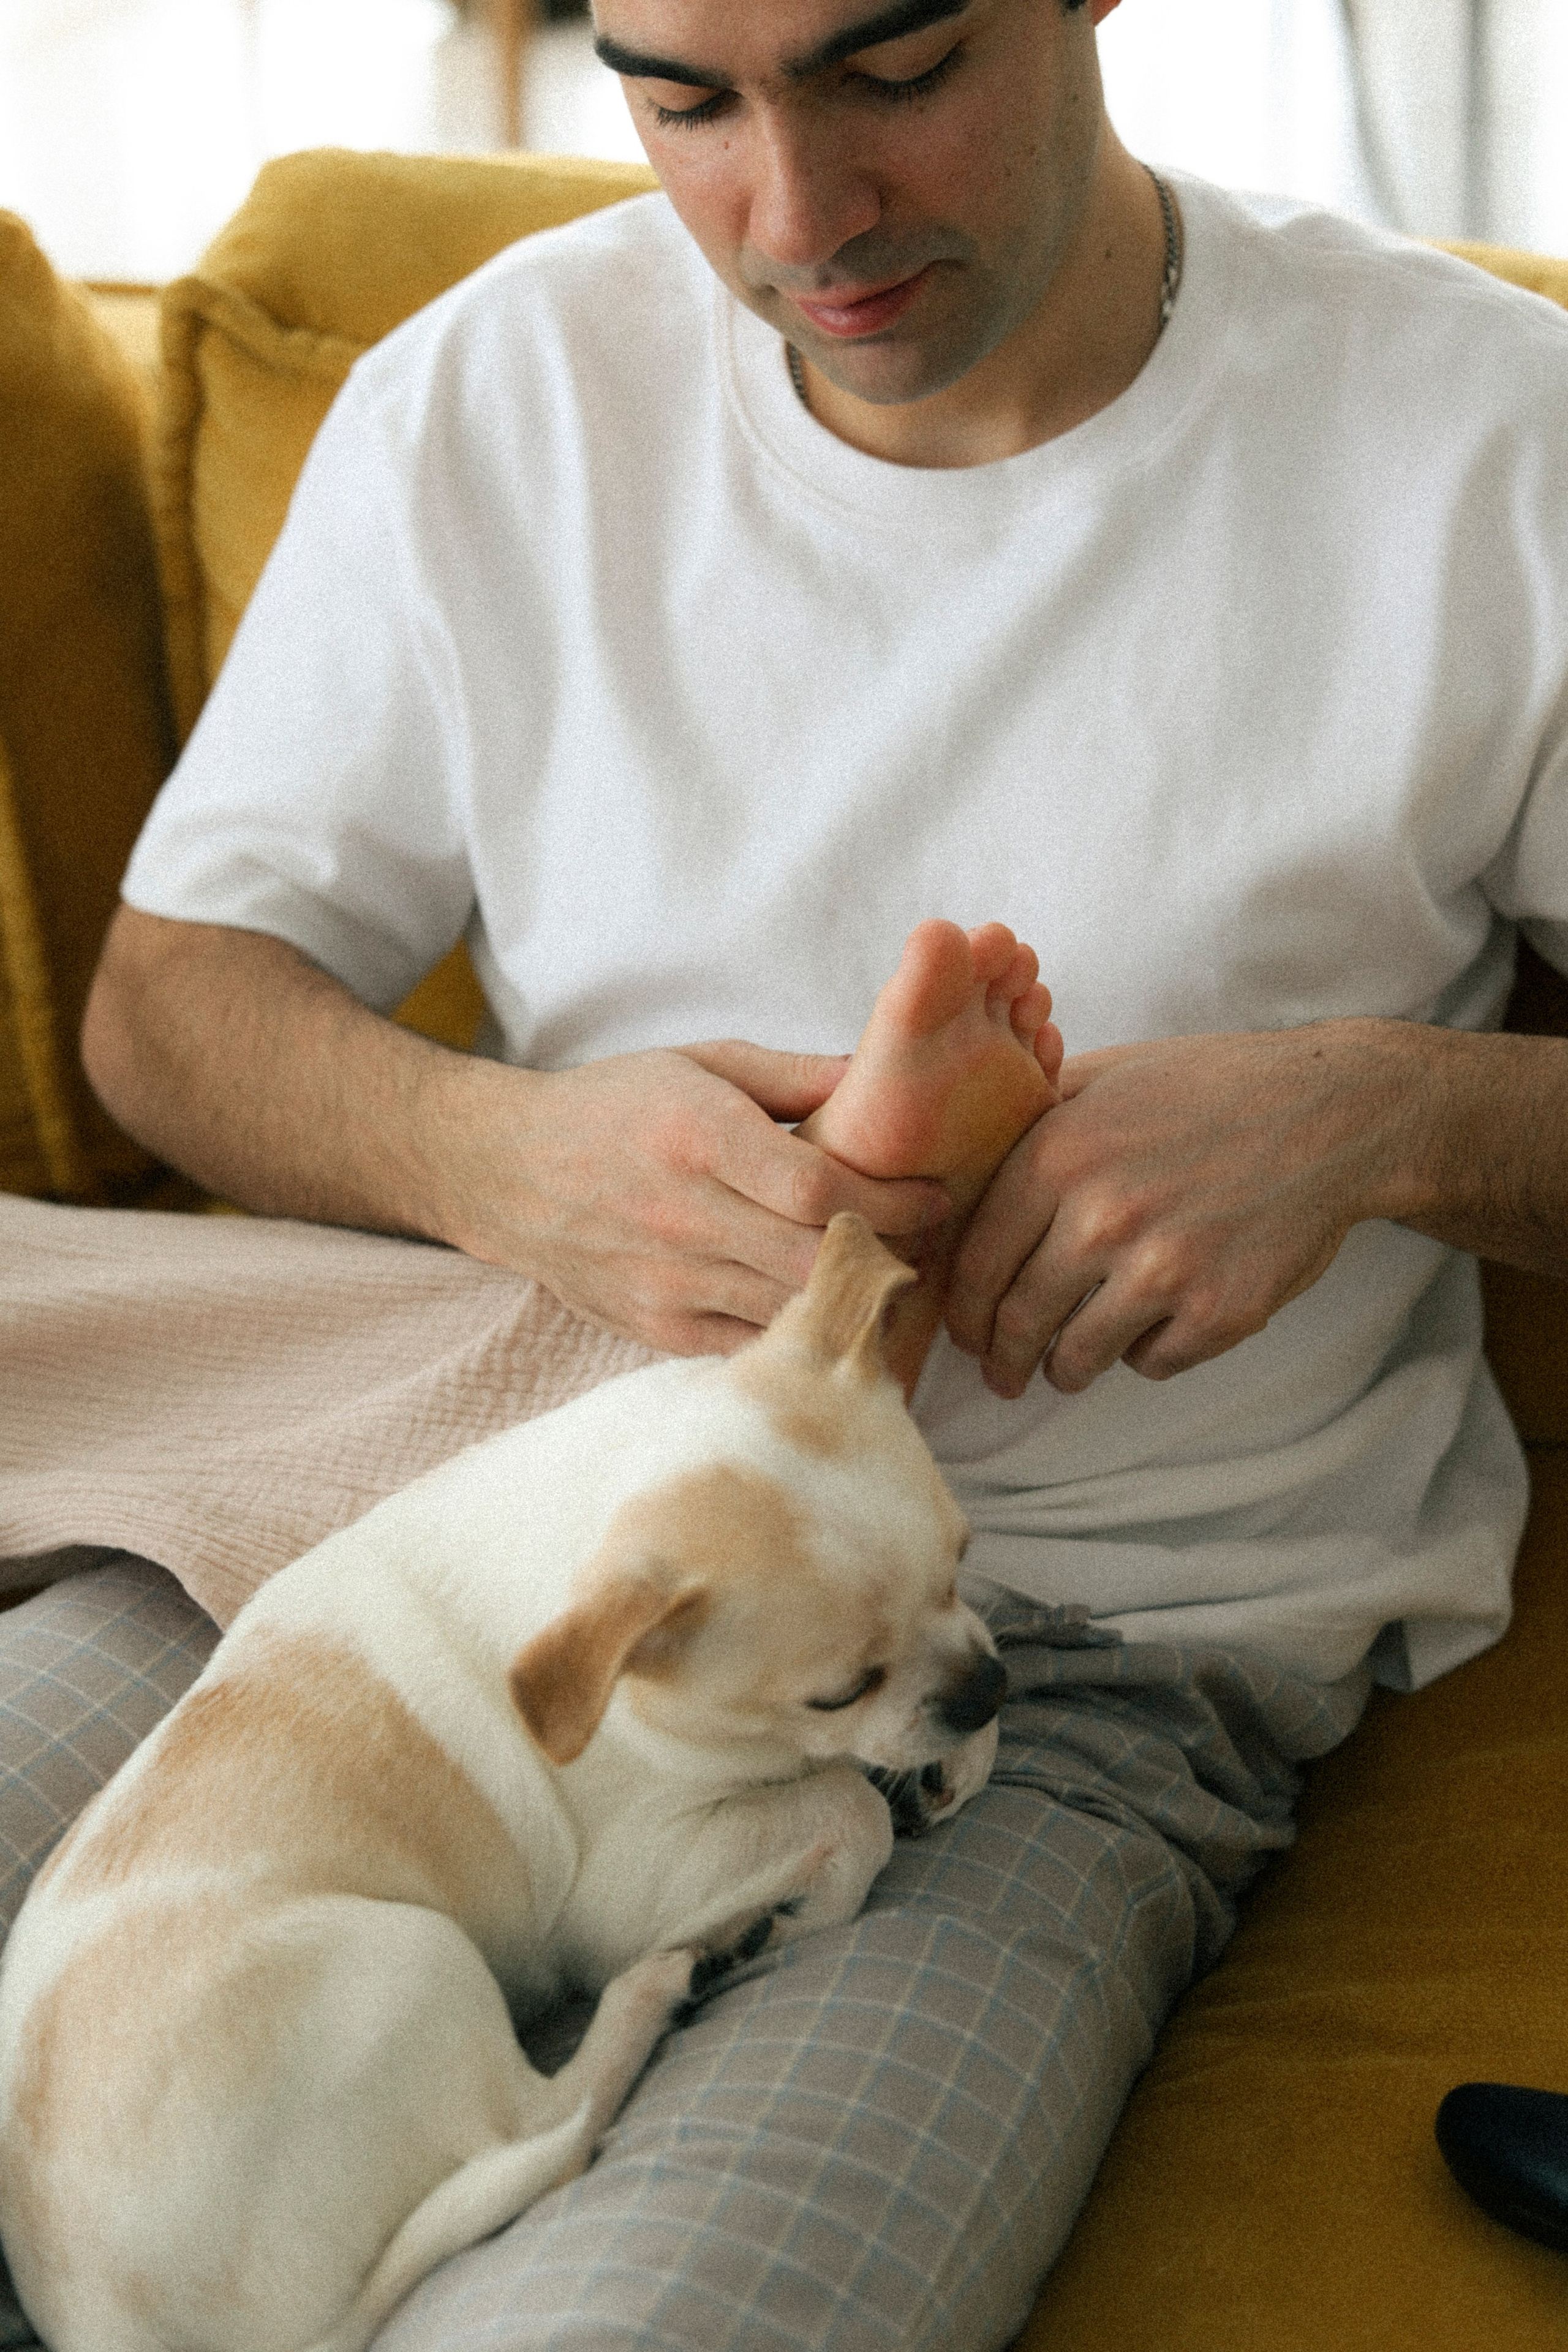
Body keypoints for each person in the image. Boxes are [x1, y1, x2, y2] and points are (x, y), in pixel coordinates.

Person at [5, 0, 1568, 2344]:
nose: (797, 214)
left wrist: (1384, 1112)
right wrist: (490, 1153)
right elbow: (163, 1006)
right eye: (681, 97)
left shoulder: (1487, 443)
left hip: (1061, 1667)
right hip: (438, 1523)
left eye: (894, 64)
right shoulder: (490, 404)